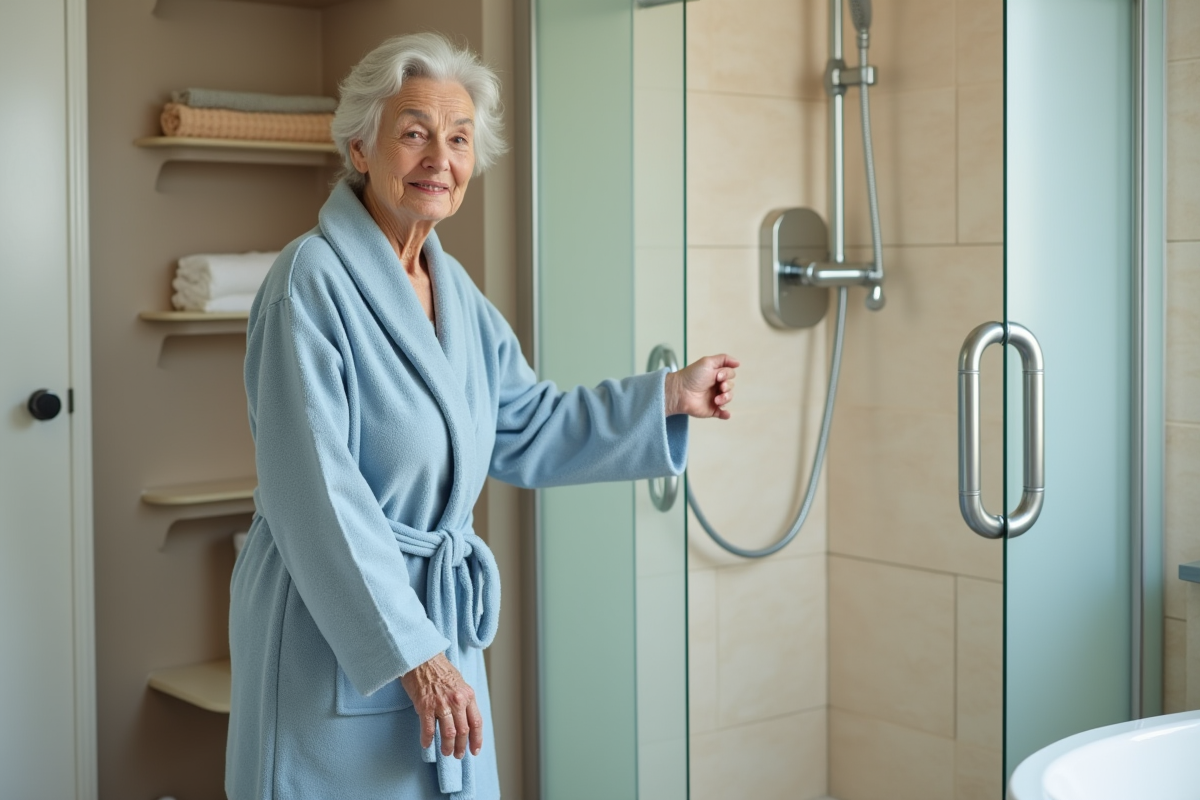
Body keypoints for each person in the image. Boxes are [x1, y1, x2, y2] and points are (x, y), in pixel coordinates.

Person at [226, 32, 738, 800]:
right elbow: (317, 496)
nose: (440, 157)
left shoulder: (452, 289)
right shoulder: (310, 282)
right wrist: (413, 654)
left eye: (459, 138)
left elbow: (525, 424)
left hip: (436, 625)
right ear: (361, 148)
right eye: (414, 133)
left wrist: (666, 396)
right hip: (343, 629)